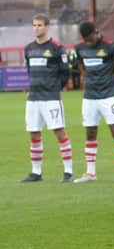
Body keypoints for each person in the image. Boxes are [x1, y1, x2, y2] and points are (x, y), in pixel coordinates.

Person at [73, 22, 114, 183]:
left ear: (97, 32)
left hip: (108, 96)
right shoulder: (79, 48)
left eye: (90, 39)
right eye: (85, 40)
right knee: (90, 132)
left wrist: (112, 88)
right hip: (90, 97)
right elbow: (81, 67)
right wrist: (86, 80)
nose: (88, 42)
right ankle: (90, 173)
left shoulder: (110, 47)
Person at [20, 13, 73, 183]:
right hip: (33, 98)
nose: (36, 28)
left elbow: (65, 73)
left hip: (50, 98)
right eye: (34, 25)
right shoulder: (28, 48)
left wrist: (55, 88)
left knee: (59, 132)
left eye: (39, 25)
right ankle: (36, 173)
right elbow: (29, 70)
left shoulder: (57, 48)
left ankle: (68, 172)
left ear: (47, 27)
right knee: (34, 134)